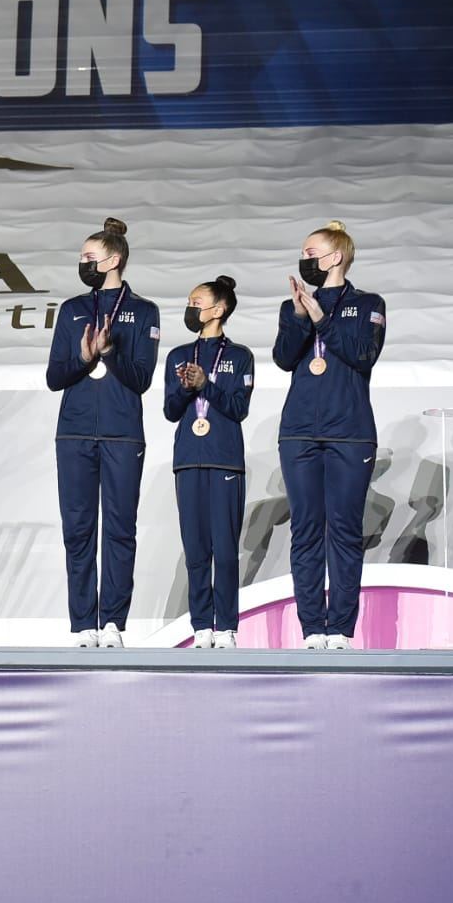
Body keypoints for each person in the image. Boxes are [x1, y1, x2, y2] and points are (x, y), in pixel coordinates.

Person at [45, 217, 161, 647]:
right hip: (74, 433)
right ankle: (82, 625)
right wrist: (81, 358)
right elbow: (54, 377)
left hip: (121, 432)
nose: (83, 264)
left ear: (113, 260)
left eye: (89, 258)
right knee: (77, 529)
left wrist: (110, 353)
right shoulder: (72, 309)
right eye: (81, 259)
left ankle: (113, 621)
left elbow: (142, 379)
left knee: (118, 528)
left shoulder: (144, 311)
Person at [273, 221, 386, 650]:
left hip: (350, 434)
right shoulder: (294, 306)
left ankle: (340, 629)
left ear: (335, 257)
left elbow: (363, 355)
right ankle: (311, 629)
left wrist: (321, 318)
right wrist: (302, 319)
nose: (304, 260)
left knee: (343, 530)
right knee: (305, 531)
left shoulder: (368, 303)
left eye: (311, 252)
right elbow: (284, 359)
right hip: (299, 433)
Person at [164, 276, 253, 649]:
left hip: (224, 462)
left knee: (225, 550)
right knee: (196, 548)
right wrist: (187, 388)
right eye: (189, 301)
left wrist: (206, 385)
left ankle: (226, 626)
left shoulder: (239, 356)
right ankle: (201, 625)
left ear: (219, 309)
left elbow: (238, 409)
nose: (191, 307)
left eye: (197, 301)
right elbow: (170, 411)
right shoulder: (178, 356)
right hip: (188, 461)